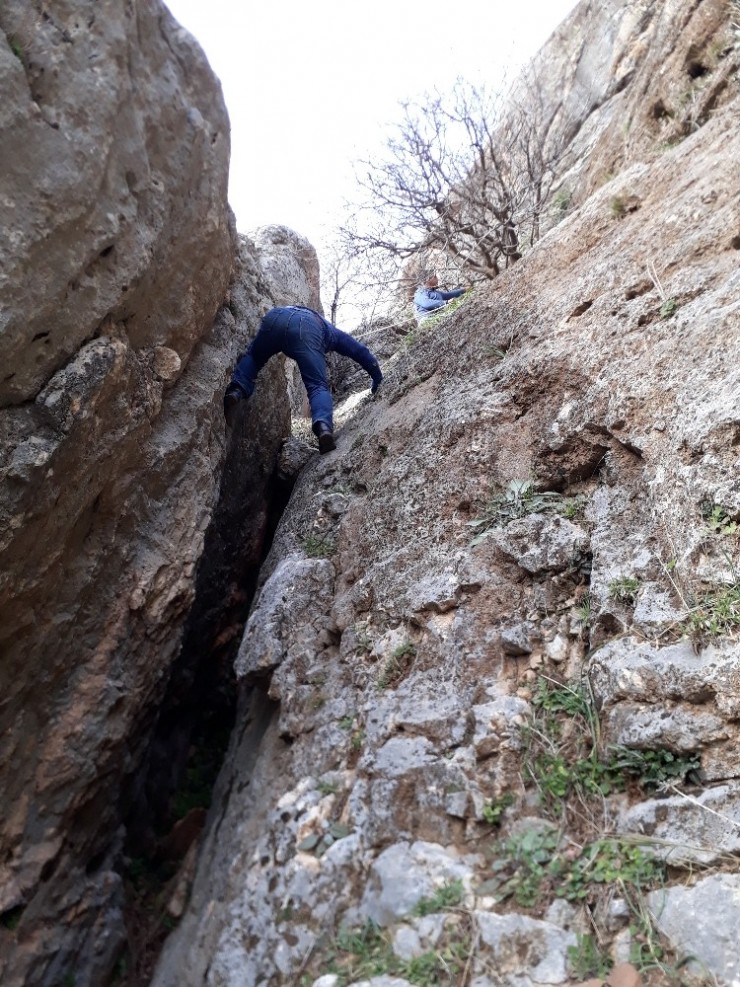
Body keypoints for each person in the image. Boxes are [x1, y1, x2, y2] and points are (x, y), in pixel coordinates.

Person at [223, 305, 383, 453]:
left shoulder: (317, 322)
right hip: (306, 329)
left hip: (275, 316)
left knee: (255, 356)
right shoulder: (332, 332)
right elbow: (359, 351)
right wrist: (377, 378)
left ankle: (237, 389)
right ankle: (323, 428)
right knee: (317, 385)